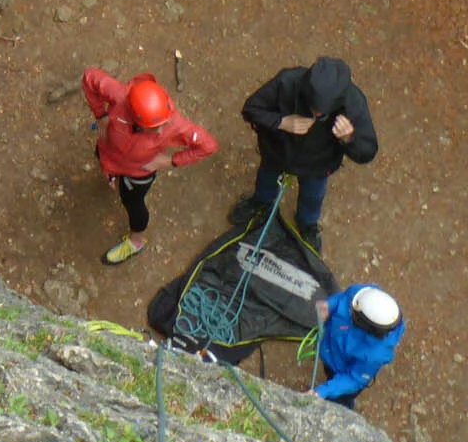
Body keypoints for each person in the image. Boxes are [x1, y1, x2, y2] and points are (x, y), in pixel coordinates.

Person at [82, 68, 218, 265]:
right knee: (103, 163)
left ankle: (136, 241)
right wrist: (100, 115)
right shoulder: (121, 97)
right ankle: (111, 176)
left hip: (137, 174)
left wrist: (171, 161)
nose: (163, 130)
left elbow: (208, 145)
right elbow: (90, 77)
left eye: (164, 123)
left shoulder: (174, 123)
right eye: (155, 128)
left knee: (133, 204)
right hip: (108, 154)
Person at [241, 56, 378, 250]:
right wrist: (282, 122)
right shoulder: (288, 82)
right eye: (312, 106)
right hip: (277, 153)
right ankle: (261, 202)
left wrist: (349, 138)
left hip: (318, 166)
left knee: (312, 197)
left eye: (321, 112)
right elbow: (251, 109)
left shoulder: (353, 103)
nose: (315, 113)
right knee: (266, 181)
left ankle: (307, 224)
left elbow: (368, 152)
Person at [314, 284, 404, 409]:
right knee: (330, 375)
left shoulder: (374, 354)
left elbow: (353, 378)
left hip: (343, 371)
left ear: (366, 326)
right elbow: (343, 299)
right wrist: (329, 306)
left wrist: (323, 391)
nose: (350, 309)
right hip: (331, 357)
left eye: (354, 314)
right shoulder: (361, 297)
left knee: (340, 401)